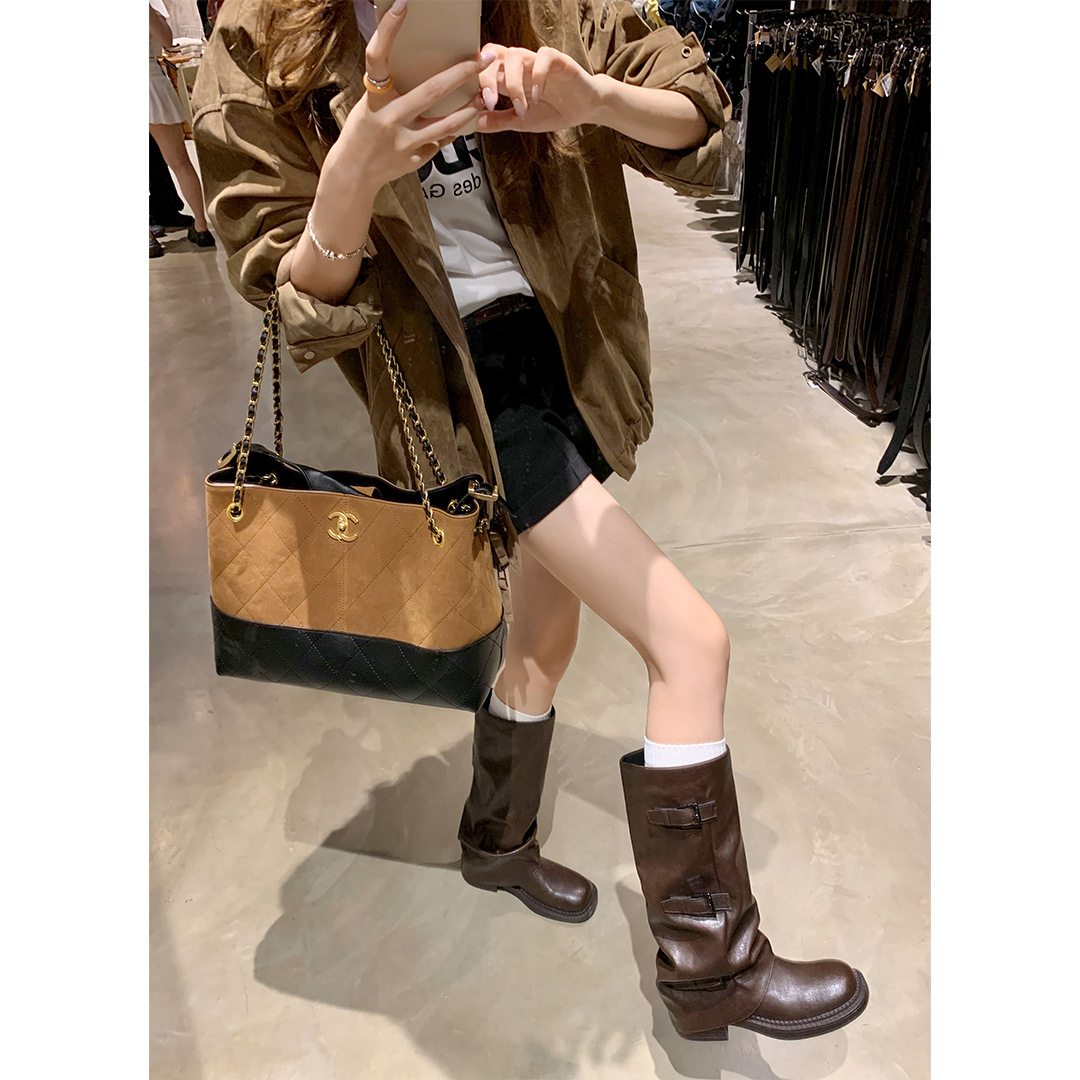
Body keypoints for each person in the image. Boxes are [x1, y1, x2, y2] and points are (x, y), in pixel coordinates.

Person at [191, 0, 869, 1044]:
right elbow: (295, 300)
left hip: (573, 347)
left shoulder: (551, 3)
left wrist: (591, 99)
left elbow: (695, 110)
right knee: (691, 642)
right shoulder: (262, 40)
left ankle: (495, 842)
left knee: (546, 633)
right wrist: (351, 175)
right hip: (463, 387)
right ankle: (713, 966)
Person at [149, 1, 214, 254]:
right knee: (180, 162)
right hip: (151, 84)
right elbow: (167, 40)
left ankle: (149, 239)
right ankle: (201, 227)